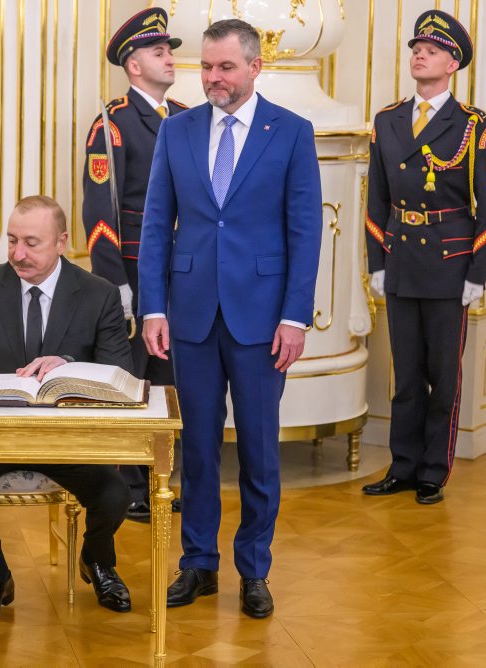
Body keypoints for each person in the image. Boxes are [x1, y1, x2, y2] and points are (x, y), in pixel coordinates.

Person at [137, 19, 322, 619]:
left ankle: (254, 569)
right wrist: (154, 306)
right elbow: (156, 223)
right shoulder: (177, 130)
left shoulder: (291, 132)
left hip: (262, 321)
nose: (212, 78)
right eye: (206, 67)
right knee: (196, 446)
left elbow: (305, 232)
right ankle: (198, 563)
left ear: (254, 68)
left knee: (260, 451)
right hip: (189, 315)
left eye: (225, 67)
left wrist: (295, 317)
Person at [0, 195, 135, 628]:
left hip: (66, 440)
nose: (18, 254)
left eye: (31, 243)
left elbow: (119, 372)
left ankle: (96, 560)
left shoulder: (99, 294)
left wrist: (67, 364)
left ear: (61, 241)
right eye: (12, 241)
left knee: (116, 492)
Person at [361, 10, 486, 505]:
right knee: (405, 376)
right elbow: (377, 198)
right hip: (401, 261)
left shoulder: (472, 125)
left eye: (432, 50)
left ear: (452, 64)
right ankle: (402, 466)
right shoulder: (387, 120)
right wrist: (377, 262)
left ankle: (432, 472)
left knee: (442, 378)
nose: (420, 55)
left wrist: (477, 273)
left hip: (449, 265)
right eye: (417, 49)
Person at [83, 7, 187, 522]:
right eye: (158, 52)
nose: (170, 59)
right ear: (134, 65)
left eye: (169, 51)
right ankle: (127, 488)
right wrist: (115, 285)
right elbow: (100, 214)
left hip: (183, 269)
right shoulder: (113, 125)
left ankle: (161, 479)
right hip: (135, 271)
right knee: (133, 378)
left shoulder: (187, 117)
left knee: (172, 379)